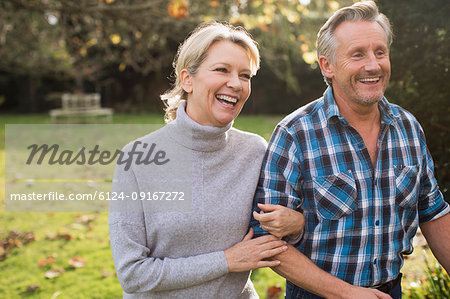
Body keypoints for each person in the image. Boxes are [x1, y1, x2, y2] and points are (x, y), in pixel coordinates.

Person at [250, 1, 450, 299]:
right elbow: (267, 238)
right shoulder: (295, 134)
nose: (373, 65)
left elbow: (432, 212)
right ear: (326, 66)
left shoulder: (408, 128)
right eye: (357, 54)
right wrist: (346, 293)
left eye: (380, 52)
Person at [109, 22, 305, 298]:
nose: (236, 84)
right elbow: (132, 274)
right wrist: (226, 260)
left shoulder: (255, 151)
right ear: (187, 79)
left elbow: (274, 235)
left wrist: (298, 224)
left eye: (245, 75)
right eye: (222, 70)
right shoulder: (137, 159)